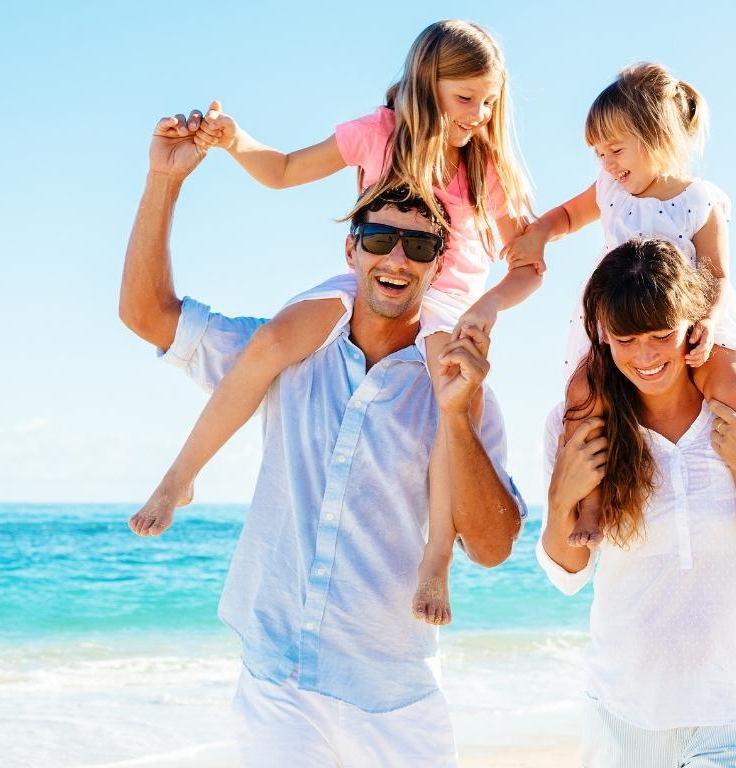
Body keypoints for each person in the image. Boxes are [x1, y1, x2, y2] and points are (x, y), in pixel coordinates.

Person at [120, 109, 525, 766]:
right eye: (379, 239)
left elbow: (492, 545)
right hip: (276, 681)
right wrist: (163, 184)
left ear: (437, 265)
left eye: (419, 247)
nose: (397, 259)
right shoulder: (287, 349)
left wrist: (453, 415)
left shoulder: (458, 382)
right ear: (350, 249)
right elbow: (147, 316)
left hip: (394, 702)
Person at [129, 19, 534, 627]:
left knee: (455, 406)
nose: (478, 114)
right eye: (465, 98)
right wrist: (236, 141)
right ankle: (179, 478)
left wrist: (488, 306)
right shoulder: (379, 133)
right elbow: (286, 169)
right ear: (427, 84)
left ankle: (436, 559)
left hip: (446, 301)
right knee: (270, 341)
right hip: (368, 283)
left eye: (489, 101)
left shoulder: (486, 168)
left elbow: (528, 266)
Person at [537, 238, 736, 767]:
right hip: (624, 720)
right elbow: (567, 576)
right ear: (603, 333)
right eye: (627, 339)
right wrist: (563, 497)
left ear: (693, 324)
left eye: (662, 335)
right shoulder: (580, 422)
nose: (647, 356)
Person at [494, 62, 736, 548]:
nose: (606, 162)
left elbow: (718, 273)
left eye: (616, 149)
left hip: (686, 323)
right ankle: (590, 504)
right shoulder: (610, 190)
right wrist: (539, 232)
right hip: (618, 322)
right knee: (585, 396)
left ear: (657, 135)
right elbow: (566, 215)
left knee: (734, 385)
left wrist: (707, 324)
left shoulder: (698, 201)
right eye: (599, 153)